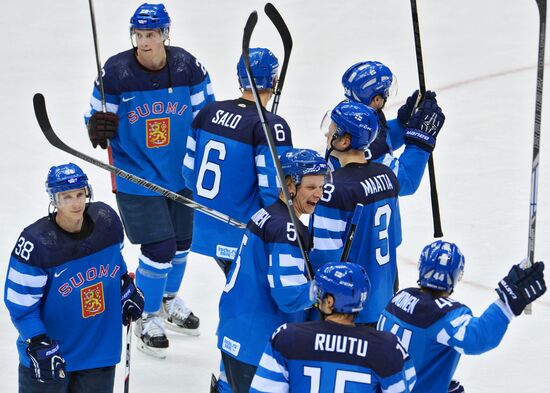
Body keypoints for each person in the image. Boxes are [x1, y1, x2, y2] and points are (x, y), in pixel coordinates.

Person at [84, 3, 215, 357]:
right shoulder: (114, 72)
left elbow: (208, 114)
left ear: (164, 35)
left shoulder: (187, 66)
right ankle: (146, 313)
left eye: (151, 35)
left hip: (181, 172)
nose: (143, 42)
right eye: (138, 35)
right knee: (159, 248)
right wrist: (97, 126)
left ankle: (168, 299)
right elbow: (94, 117)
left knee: (184, 243)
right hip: (136, 175)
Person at [4, 163, 144, 393]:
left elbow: (113, 261)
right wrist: (36, 340)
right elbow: (21, 306)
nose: (76, 203)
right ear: (54, 199)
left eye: (80, 194)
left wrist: (124, 286)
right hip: (51, 357)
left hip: (99, 352)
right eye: (67, 197)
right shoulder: (36, 244)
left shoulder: (106, 221)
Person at [311, 100, 444, 325]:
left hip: (347, 305)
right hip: (385, 297)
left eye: (331, 131)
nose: (326, 136)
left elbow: (325, 258)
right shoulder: (387, 176)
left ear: (344, 141)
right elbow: (395, 238)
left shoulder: (333, 189)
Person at [216, 149, 328, 393]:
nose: (318, 194)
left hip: (236, 326)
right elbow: (288, 297)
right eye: (311, 187)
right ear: (290, 185)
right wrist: (326, 290)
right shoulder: (286, 229)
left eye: (321, 187)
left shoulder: (266, 214)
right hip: (257, 339)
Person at [378, 240, 546, 393]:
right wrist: (507, 302)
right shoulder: (444, 314)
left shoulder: (398, 298)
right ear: (457, 275)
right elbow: (479, 338)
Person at [183, 47, 293, 276]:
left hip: (209, 228)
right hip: (245, 233)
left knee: (235, 289)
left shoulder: (208, 113)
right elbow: (274, 190)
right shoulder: (272, 125)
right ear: (274, 80)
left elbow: (187, 172)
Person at [250, 262, 417, 393]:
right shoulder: (387, 346)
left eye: (319, 292)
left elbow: (263, 389)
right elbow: (405, 386)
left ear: (330, 302)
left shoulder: (287, 337)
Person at [336, 60, 444, 196]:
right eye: (385, 92)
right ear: (376, 99)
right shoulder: (363, 142)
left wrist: (403, 125)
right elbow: (405, 182)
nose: (387, 95)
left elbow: (381, 137)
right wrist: (420, 142)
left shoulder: (351, 117)